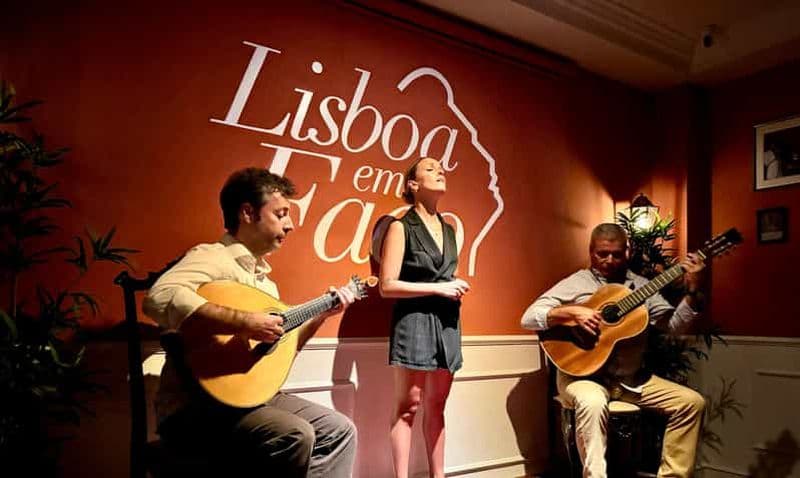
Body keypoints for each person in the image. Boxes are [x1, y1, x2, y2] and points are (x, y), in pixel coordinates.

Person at [143, 167, 357, 477]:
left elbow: (279, 354)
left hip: (248, 400)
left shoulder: (266, 286)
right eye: (281, 214)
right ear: (247, 213)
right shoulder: (212, 257)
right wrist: (244, 322)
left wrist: (320, 316)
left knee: (339, 430)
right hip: (195, 406)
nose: (290, 224)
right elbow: (160, 296)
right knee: (295, 434)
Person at [521, 223, 706, 478]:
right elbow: (529, 318)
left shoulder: (642, 287)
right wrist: (572, 312)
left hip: (631, 381)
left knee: (691, 403)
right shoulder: (576, 283)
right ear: (591, 252)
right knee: (592, 402)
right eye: (602, 254)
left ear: (627, 252)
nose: (609, 260)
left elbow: (674, 327)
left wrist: (693, 290)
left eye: (616, 254)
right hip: (582, 377)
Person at [378, 157, 470, 478]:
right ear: (413, 185)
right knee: (409, 406)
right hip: (414, 319)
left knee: (437, 406)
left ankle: (438, 475)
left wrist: (452, 287)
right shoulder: (400, 227)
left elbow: (445, 275)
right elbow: (387, 286)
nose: (440, 170)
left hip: (447, 323)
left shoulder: (450, 230)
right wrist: (439, 289)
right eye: (430, 169)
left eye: (441, 167)